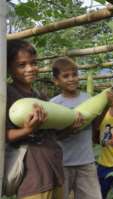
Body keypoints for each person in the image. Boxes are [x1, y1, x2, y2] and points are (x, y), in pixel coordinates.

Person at [6, 39, 64, 199]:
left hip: (56, 172)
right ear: (9, 68)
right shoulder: (6, 94)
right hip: (33, 180)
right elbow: (4, 135)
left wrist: (70, 127)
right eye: (22, 65)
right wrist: (27, 130)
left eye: (33, 63)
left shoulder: (41, 96)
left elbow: (54, 134)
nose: (30, 68)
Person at [50, 57, 102, 199]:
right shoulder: (53, 104)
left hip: (86, 162)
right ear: (56, 81)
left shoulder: (89, 99)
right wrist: (70, 129)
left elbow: (95, 128)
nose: (72, 79)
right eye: (66, 76)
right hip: (62, 164)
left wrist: (101, 111)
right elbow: (52, 136)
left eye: (74, 74)